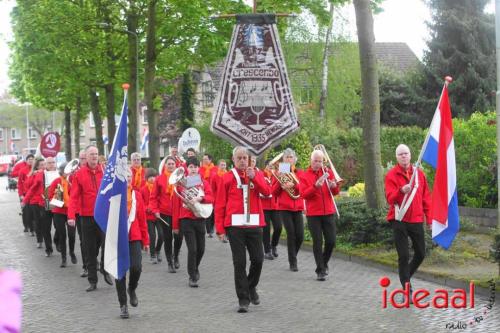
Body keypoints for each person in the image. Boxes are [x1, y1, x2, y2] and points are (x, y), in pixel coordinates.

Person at [215, 146, 271, 313]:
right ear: (233, 160)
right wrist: (220, 229)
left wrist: (256, 178)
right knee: (239, 262)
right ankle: (243, 299)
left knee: (258, 259)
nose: (241, 161)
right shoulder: (226, 178)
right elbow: (220, 204)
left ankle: (250, 286)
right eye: (238, 158)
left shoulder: (257, 174)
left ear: (249, 160)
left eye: (244, 158)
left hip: (254, 224)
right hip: (235, 226)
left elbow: (267, 192)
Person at [385, 144, 431, 292]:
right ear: (396, 157)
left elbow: (426, 199)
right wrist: (401, 191)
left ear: (410, 155)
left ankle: (405, 276)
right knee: (403, 255)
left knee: (421, 253)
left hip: (416, 219)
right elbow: (390, 198)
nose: (404, 156)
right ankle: (406, 288)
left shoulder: (419, 175)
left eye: (406, 153)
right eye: (401, 154)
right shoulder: (391, 175)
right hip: (399, 220)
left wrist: (429, 219)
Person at [68, 145, 113, 291]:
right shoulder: (79, 175)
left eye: (96, 154)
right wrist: (71, 216)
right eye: (91, 154)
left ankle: (104, 269)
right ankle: (92, 280)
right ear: (86, 157)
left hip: (103, 215)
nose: (94, 156)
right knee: (89, 249)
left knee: (105, 245)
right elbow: (73, 197)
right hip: (86, 217)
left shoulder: (106, 171)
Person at [172, 157, 213, 287]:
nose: (193, 169)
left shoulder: (203, 183)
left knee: (201, 249)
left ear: (198, 167)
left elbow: (211, 197)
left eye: (195, 166)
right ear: (187, 169)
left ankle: (195, 268)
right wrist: (175, 226)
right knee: (193, 249)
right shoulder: (180, 185)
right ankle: (192, 277)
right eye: (190, 167)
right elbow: (176, 206)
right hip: (186, 219)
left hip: (200, 218)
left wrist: (200, 198)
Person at [299, 149, 340, 281]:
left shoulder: (328, 172)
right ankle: (320, 270)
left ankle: (323, 263)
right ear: (311, 161)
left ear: (323, 161)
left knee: (331, 241)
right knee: (318, 241)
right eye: (315, 161)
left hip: (328, 211)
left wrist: (334, 186)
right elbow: (303, 194)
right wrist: (315, 186)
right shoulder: (305, 175)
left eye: (320, 161)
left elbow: (335, 192)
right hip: (313, 214)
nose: (317, 163)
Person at [116, 170, 150, 319]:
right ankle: (123, 305)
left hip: (134, 236)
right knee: (120, 272)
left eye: (130, 177)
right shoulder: (115, 196)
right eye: (125, 177)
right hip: (118, 237)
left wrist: (146, 240)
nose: (128, 179)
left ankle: (132, 288)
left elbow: (142, 219)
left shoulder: (137, 196)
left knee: (136, 267)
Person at [150, 156, 183, 273]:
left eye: (172, 164)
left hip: (179, 212)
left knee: (179, 237)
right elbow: (153, 197)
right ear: (165, 165)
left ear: (176, 165)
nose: (170, 166)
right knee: (167, 238)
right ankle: (170, 262)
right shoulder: (159, 179)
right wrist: (155, 210)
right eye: (168, 164)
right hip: (164, 213)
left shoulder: (181, 178)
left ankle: (176, 255)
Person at [272, 148, 303, 271]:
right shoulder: (281, 172)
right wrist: (280, 184)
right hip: (284, 207)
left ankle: (293, 255)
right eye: (286, 157)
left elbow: (303, 190)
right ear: (283, 160)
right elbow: (273, 192)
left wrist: (294, 184)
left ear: (294, 159)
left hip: (298, 207)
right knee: (291, 234)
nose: (289, 159)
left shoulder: (299, 172)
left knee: (299, 236)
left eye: (291, 157)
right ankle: (293, 262)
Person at [48, 162, 77, 267]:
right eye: (64, 170)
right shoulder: (57, 181)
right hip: (59, 211)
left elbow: (76, 194)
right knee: (62, 235)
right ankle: (64, 258)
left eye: (68, 170)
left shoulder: (72, 181)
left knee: (72, 235)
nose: (66, 172)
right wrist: (57, 199)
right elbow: (50, 195)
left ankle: (72, 252)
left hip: (70, 211)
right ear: (61, 171)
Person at [21, 158, 46, 249]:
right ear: (37, 166)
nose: (44, 167)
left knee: (45, 221)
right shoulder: (34, 174)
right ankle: (39, 240)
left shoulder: (47, 173)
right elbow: (28, 186)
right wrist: (32, 175)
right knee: (38, 221)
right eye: (41, 165)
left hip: (45, 201)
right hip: (34, 201)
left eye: (44, 164)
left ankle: (46, 238)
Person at [141, 168, 163, 264]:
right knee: (152, 236)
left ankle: (158, 250)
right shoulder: (143, 189)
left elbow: (161, 201)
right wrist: (148, 208)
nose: (152, 179)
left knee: (161, 235)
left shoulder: (159, 188)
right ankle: (152, 254)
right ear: (146, 178)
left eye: (154, 177)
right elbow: (141, 204)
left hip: (158, 215)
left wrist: (157, 209)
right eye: (150, 177)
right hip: (149, 217)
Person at [261, 160, 281, 261]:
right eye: (269, 166)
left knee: (278, 227)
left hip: (275, 205)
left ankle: (274, 245)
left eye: (272, 166)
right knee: (266, 229)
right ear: (266, 166)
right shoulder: (261, 174)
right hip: (264, 206)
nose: (271, 167)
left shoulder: (277, 174)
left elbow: (287, 171)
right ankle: (267, 251)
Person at [75, 150, 89, 277]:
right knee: (83, 240)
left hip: (94, 211)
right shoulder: (74, 173)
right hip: (80, 212)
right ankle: (86, 266)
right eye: (82, 158)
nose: (84, 161)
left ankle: (93, 261)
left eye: (85, 158)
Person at [199, 154, 218, 238]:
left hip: (215, 193)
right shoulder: (200, 169)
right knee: (207, 211)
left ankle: (212, 227)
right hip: (204, 193)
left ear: (210, 160)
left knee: (213, 212)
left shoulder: (215, 169)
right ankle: (209, 230)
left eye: (206, 159)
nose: (204, 161)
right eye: (203, 159)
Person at [17, 154, 35, 234]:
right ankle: (26, 226)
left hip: (34, 194)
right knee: (26, 212)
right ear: (26, 160)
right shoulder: (23, 170)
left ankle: (33, 227)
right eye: (29, 159)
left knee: (33, 212)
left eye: (32, 159)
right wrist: (21, 195)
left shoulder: (36, 169)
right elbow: (20, 184)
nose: (31, 160)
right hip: (25, 194)